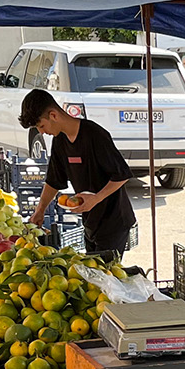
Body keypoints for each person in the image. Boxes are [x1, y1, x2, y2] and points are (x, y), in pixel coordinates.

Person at [21, 88, 136, 254]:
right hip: (90, 221)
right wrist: (40, 211)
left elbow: (122, 174)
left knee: (104, 276)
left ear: (53, 115)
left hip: (113, 221)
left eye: (41, 125)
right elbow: (54, 180)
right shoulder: (59, 141)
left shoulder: (94, 135)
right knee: (92, 273)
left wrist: (96, 198)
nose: (41, 132)